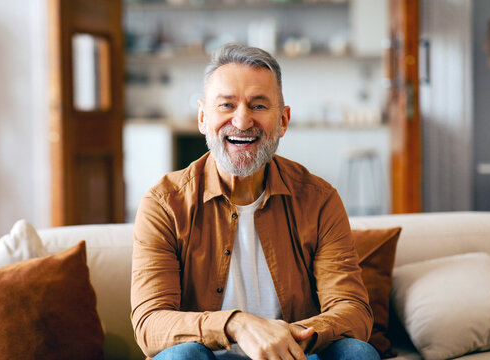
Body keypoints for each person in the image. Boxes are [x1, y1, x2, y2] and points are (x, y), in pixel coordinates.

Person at [131, 43, 379, 360]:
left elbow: (353, 310)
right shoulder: (164, 203)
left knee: (356, 353)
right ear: (203, 118)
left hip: (296, 354)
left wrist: (286, 338)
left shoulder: (319, 199)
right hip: (208, 356)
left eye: (259, 106)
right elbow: (150, 324)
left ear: (283, 121)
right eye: (226, 106)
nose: (242, 121)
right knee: (181, 357)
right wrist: (236, 326)